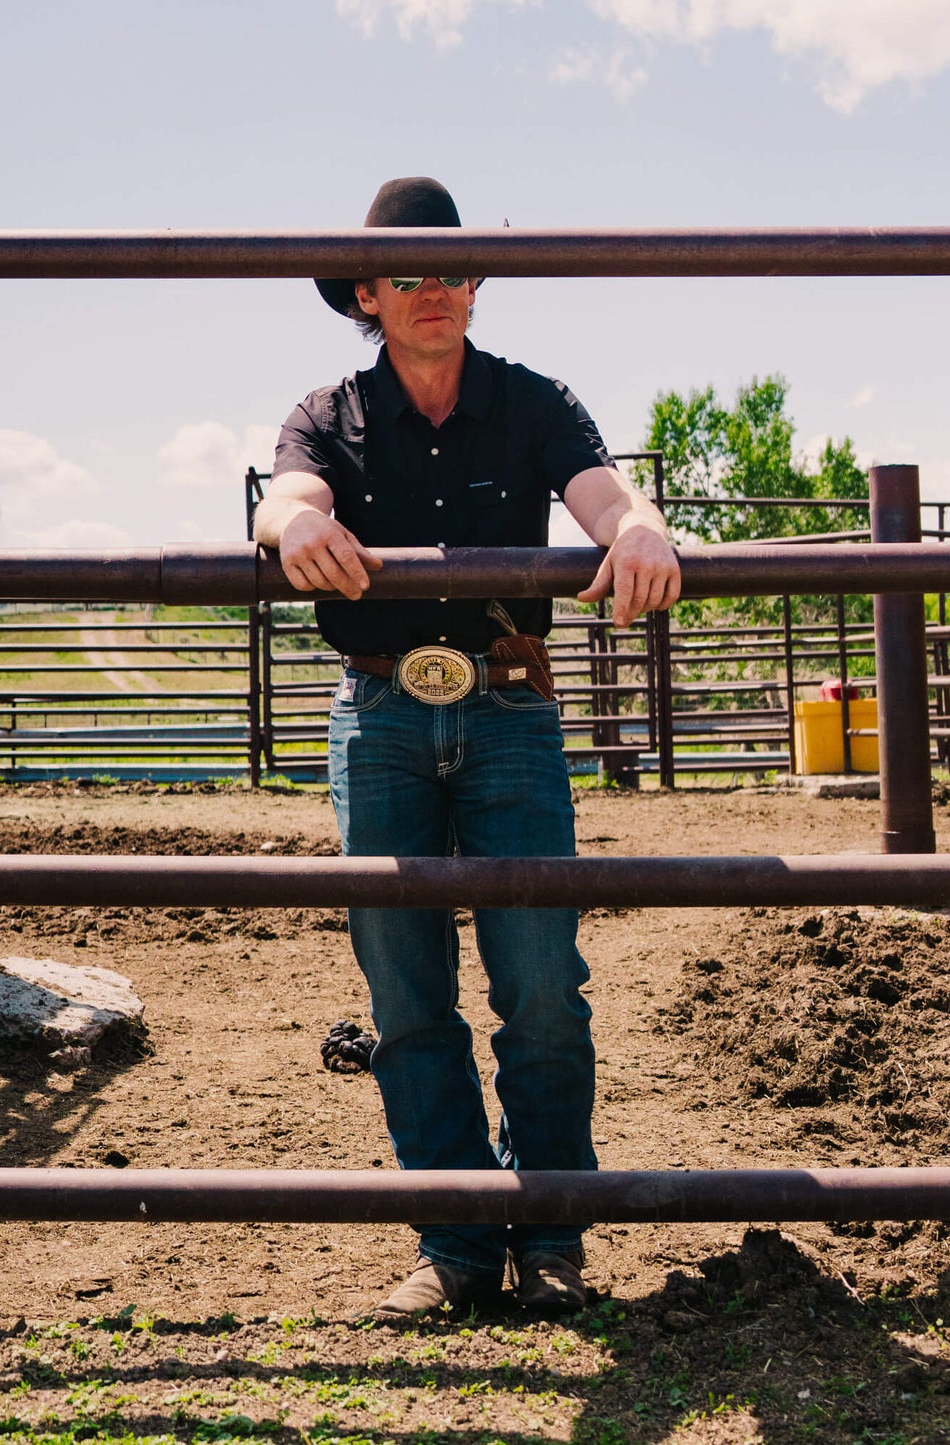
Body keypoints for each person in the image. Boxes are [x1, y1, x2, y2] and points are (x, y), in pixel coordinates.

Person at [253, 177, 680, 1318]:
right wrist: (294, 520)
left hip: (507, 708)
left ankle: (548, 1232)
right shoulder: (325, 416)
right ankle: (452, 1240)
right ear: (366, 295)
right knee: (404, 992)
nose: (429, 288)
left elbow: (604, 497)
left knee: (541, 983)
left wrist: (636, 529)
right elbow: (284, 496)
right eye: (404, 273)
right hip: (380, 712)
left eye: (447, 268)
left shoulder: (533, 403)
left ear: (475, 285)